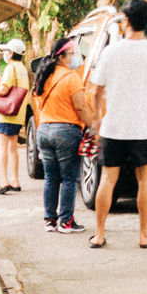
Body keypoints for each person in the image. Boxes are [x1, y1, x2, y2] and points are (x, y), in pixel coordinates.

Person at [88, 0, 147, 249]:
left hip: (113, 128)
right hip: (142, 128)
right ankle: (144, 235)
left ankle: (99, 234)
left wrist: (97, 121)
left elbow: (94, 92)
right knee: (145, 180)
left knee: (107, 180)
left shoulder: (110, 52)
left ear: (125, 21)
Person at [32, 36, 93, 232]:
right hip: (66, 132)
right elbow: (81, 108)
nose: (75, 57)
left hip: (44, 130)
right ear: (62, 56)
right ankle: (66, 221)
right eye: (72, 53)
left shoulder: (44, 75)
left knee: (51, 178)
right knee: (68, 178)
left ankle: (50, 220)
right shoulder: (71, 77)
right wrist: (94, 127)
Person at [0, 38, 30, 194]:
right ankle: (15, 181)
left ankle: (4, 181)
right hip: (17, 114)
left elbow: (3, 91)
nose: (4, 53)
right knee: (13, 148)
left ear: (11, 53)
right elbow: (11, 87)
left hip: (6, 114)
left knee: (2, 148)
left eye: (6, 51)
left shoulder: (10, 68)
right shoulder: (22, 69)